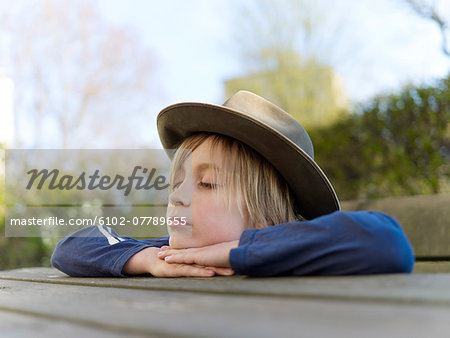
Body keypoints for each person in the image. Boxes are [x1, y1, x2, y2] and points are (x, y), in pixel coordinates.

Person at [51, 91, 415, 277]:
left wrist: (237, 250)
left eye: (206, 183)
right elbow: (73, 244)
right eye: (178, 182)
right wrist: (145, 259)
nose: (176, 196)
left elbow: (387, 241)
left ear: (266, 220)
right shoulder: (173, 255)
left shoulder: (296, 249)